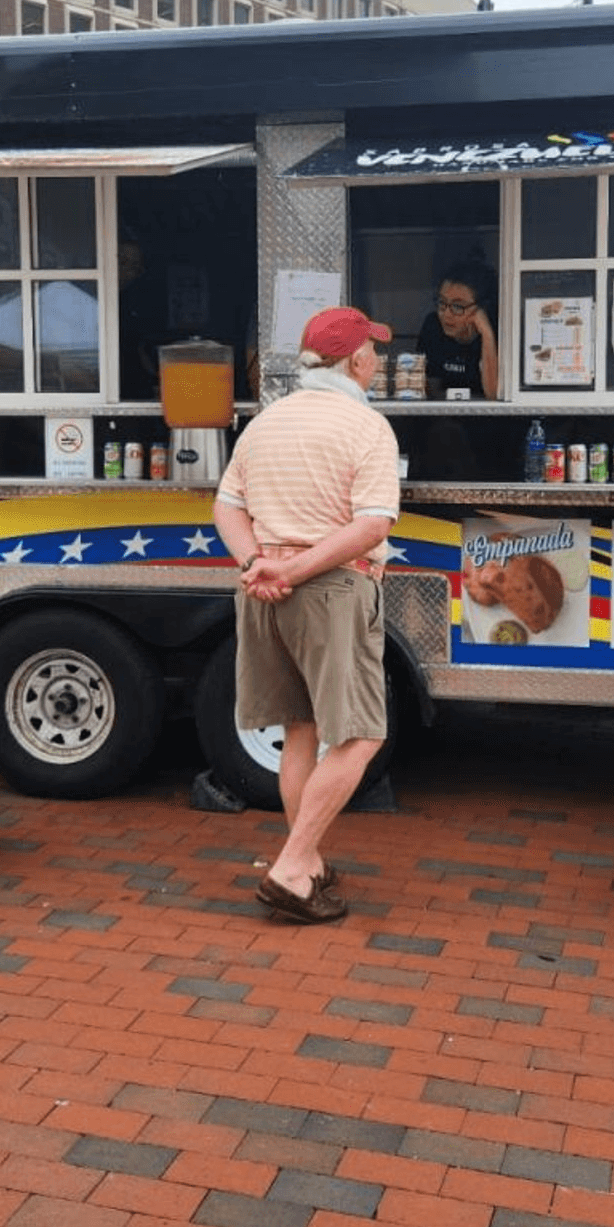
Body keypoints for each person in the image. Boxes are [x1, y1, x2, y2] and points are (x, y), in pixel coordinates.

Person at [213, 306, 400, 924]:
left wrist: (256, 565)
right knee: (362, 734)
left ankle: (308, 862)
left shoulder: (265, 422)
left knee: (301, 728)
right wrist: (289, 572)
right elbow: (372, 523)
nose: (378, 359)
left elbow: (227, 506)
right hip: (332, 591)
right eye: (374, 350)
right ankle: (294, 869)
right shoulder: (367, 426)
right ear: (356, 361)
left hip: (264, 591)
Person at [416, 261, 499, 399]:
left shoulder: (499, 330)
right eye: (442, 303)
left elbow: (493, 393)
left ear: (481, 308)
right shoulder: (433, 325)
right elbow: (430, 392)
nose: (446, 314)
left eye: (458, 306)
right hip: (443, 416)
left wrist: (487, 335)